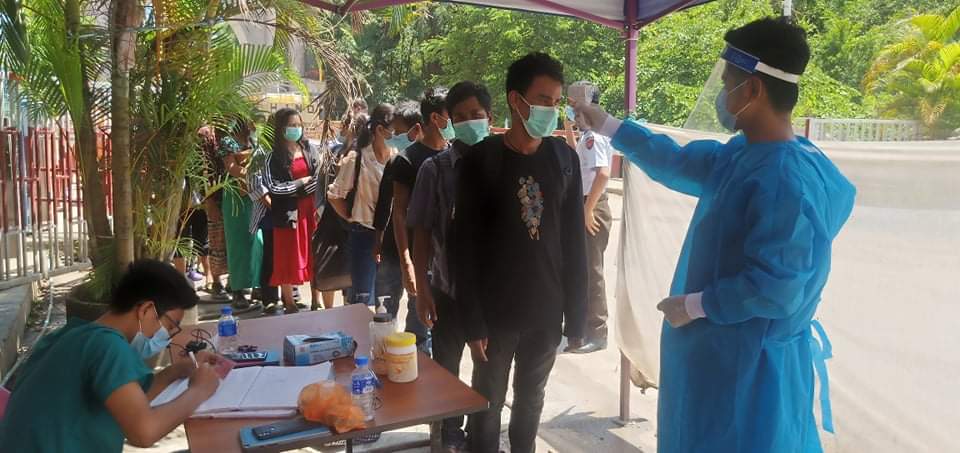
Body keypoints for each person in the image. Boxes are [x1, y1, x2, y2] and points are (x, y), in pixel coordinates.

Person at [572, 18, 856, 453]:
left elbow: (777, 287)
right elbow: (676, 161)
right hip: (723, 360)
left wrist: (696, 305)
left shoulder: (785, 179)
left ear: (753, 90)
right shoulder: (746, 155)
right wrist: (608, 124)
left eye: (727, 83)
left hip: (748, 373)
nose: (722, 94)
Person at [455, 52, 587, 453]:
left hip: (546, 311)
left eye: (556, 102)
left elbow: (574, 243)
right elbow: (464, 247)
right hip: (495, 314)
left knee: (531, 402)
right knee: (487, 404)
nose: (551, 110)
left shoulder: (564, 159)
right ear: (517, 100)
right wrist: (472, 321)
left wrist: (577, 315)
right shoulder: (481, 160)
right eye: (544, 100)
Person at [0, 259, 223, 452]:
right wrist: (199, 391)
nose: (168, 336)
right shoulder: (109, 346)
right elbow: (144, 432)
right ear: (146, 310)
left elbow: (127, 402)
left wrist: (174, 372)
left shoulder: (73, 335)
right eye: (170, 325)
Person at [408, 80, 493, 451]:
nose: (470, 121)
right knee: (447, 369)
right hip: (448, 289)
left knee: (489, 371)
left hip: (493, 295)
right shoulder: (436, 169)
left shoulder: (503, 163)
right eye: (461, 116)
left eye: (477, 114)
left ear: (490, 117)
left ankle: (480, 434)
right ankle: (447, 434)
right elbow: (421, 232)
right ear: (450, 123)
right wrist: (422, 290)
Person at [373, 91, 450, 347]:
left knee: (421, 326)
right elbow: (398, 212)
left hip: (430, 255)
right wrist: (406, 262)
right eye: (453, 115)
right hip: (398, 251)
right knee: (385, 319)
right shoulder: (406, 159)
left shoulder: (452, 157)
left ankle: (416, 365)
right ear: (435, 118)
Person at [327, 104, 401, 306]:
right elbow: (334, 196)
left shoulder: (398, 157)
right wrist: (351, 217)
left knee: (388, 299)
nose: (400, 135)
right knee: (362, 299)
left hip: (391, 237)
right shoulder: (357, 159)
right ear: (380, 129)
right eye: (395, 130)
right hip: (364, 236)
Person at [562, 81, 615, 354]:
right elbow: (577, 158)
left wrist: (588, 209)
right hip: (587, 204)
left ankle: (597, 332)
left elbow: (603, 173)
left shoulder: (595, 135)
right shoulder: (587, 135)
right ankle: (582, 328)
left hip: (592, 205)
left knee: (592, 271)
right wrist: (569, 129)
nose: (571, 109)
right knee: (583, 269)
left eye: (573, 105)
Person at [265, 108, 322, 313]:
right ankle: (289, 303)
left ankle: (316, 300)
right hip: (287, 215)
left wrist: (304, 187)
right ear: (281, 128)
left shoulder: (310, 149)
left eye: (298, 125)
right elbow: (274, 188)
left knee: (314, 255)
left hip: (311, 212)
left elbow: (318, 178)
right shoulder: (273, 157)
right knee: (287, 257)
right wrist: (299, 185)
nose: (296, 129)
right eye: (291, 125)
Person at [218, 118, 265, 310]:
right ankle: (237, 290)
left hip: (254, 192)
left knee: (257, 241)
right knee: (237, 242)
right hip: (236, 195)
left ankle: (257, 285)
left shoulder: (255, 139)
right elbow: (231, 167)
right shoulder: (227, 141)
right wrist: (250, 173)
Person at [246, 123, 281, 310]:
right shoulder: (260, 152)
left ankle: (288, 293)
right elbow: (254, 183)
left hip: (287, 213)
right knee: (270, 256)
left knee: (284, 255)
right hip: (269, 215)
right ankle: (269, 298)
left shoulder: (289, 149)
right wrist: (273, 205)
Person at [198, 125, 230, 300]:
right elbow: (202, 170)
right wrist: (208, 198)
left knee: (232, 241)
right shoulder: (206, 134)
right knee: (216, 239)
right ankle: (216, 281)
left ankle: (234, 280)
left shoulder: (233, 130)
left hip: (233, 195)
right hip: (215, 194)